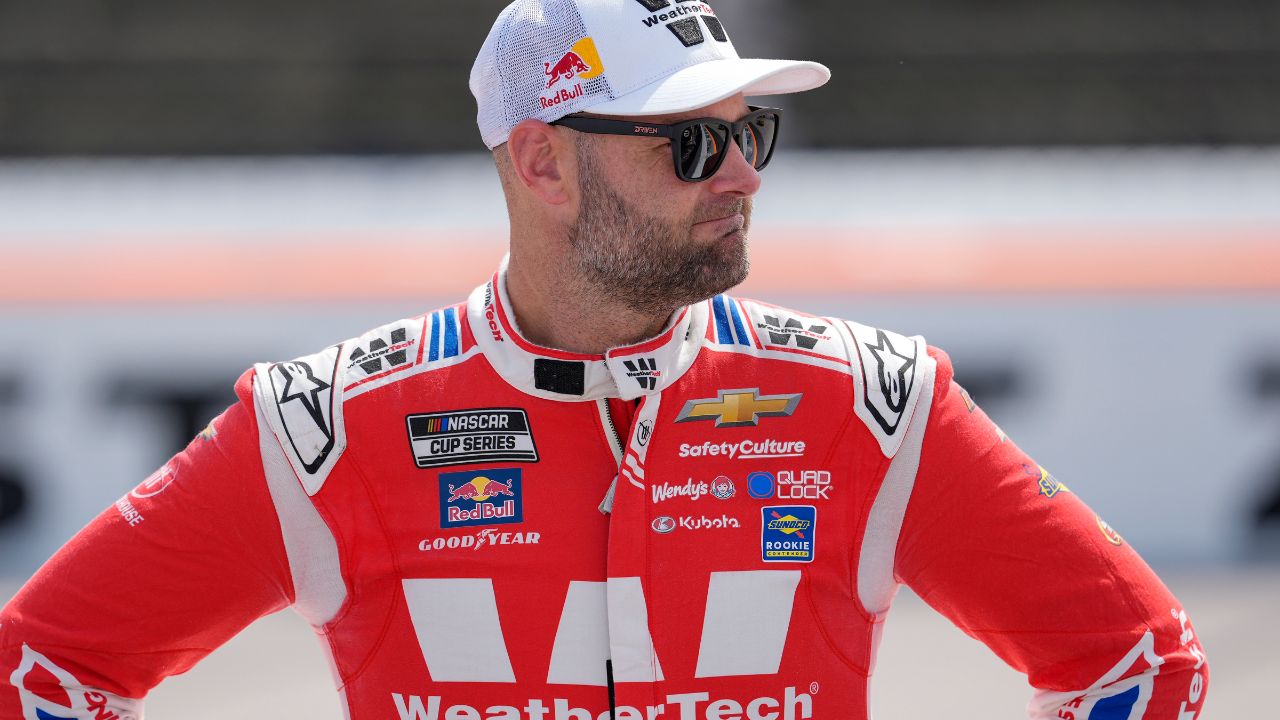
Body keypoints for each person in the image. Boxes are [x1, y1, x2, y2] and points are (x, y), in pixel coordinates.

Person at [1, 1, 1208, 718]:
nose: (738, 172)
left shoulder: (868, 403)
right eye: (689, 140)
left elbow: (1141, 666)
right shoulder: (323, 427)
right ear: (540, 165)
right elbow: (42, 671)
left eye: (747, 131)